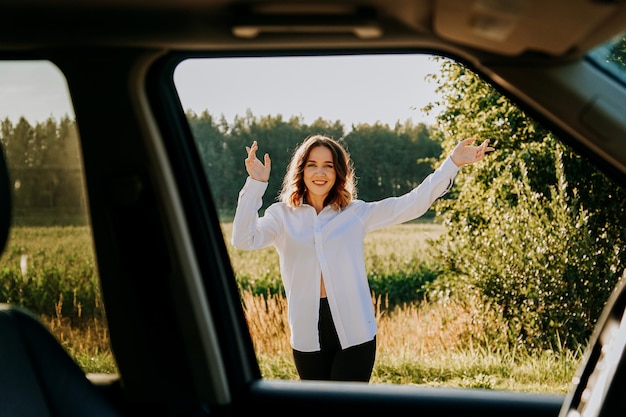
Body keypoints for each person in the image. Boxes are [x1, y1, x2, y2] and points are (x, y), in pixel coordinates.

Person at [231, 134, 494, 382]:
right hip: (307, 335)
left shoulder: (356, 213)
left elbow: (411, 203)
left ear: (338, 173)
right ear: (301, 171)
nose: (320, 173)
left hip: (356, 334)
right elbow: (243, 239)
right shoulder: (281, 216)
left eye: (328, 166)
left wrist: (452, 164)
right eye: (312, 165)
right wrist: (256, 184)